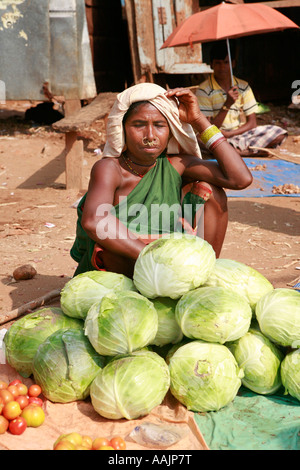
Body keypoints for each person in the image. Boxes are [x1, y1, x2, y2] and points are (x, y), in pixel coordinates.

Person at [70, 83, 252, 278]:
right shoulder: (110, 168)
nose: (150, 136)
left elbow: (240, 179)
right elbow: (94, 221)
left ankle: (203, 273)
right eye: (138, 125)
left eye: (159, 126)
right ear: (123, 129)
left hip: (169, 266)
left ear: (171, 131)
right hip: (125, 264)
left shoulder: (177, 165)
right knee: (111, 247)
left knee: (213, 193)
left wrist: (199, 120)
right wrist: (153, 259)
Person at [196, 41, 287, 157]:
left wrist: (230, 134)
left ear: (233, 64)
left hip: (237, 135)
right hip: (216, 136)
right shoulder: (204, 90)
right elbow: (207, 129)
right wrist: (227, 105)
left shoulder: (243, 87)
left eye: (226, 62)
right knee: (202, 140)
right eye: (218, 63)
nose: (222, 67)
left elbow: (252, 123)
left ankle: (237, 152)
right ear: (211, 65)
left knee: (279, 133)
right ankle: (245, 152)